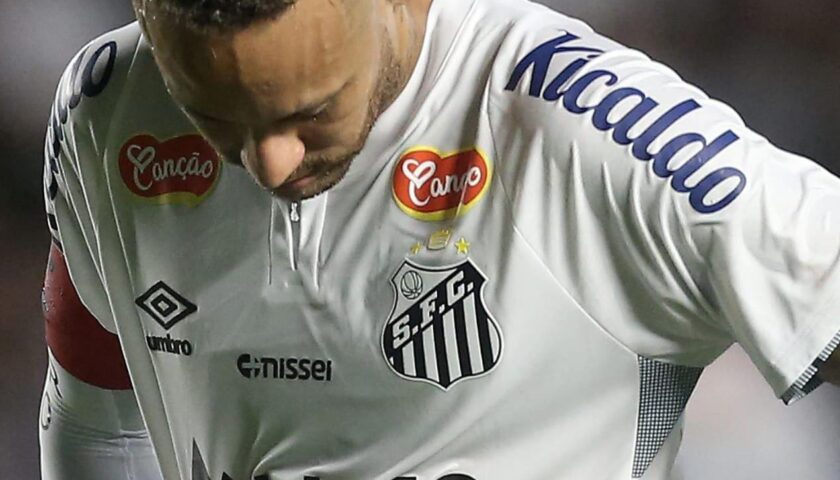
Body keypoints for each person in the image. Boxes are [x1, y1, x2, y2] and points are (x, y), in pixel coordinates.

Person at [39, 0, 840, 478]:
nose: (269, 161)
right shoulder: (106, 111)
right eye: (213, 116)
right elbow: (98, 414)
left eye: (312, 109)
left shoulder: (580, 128)